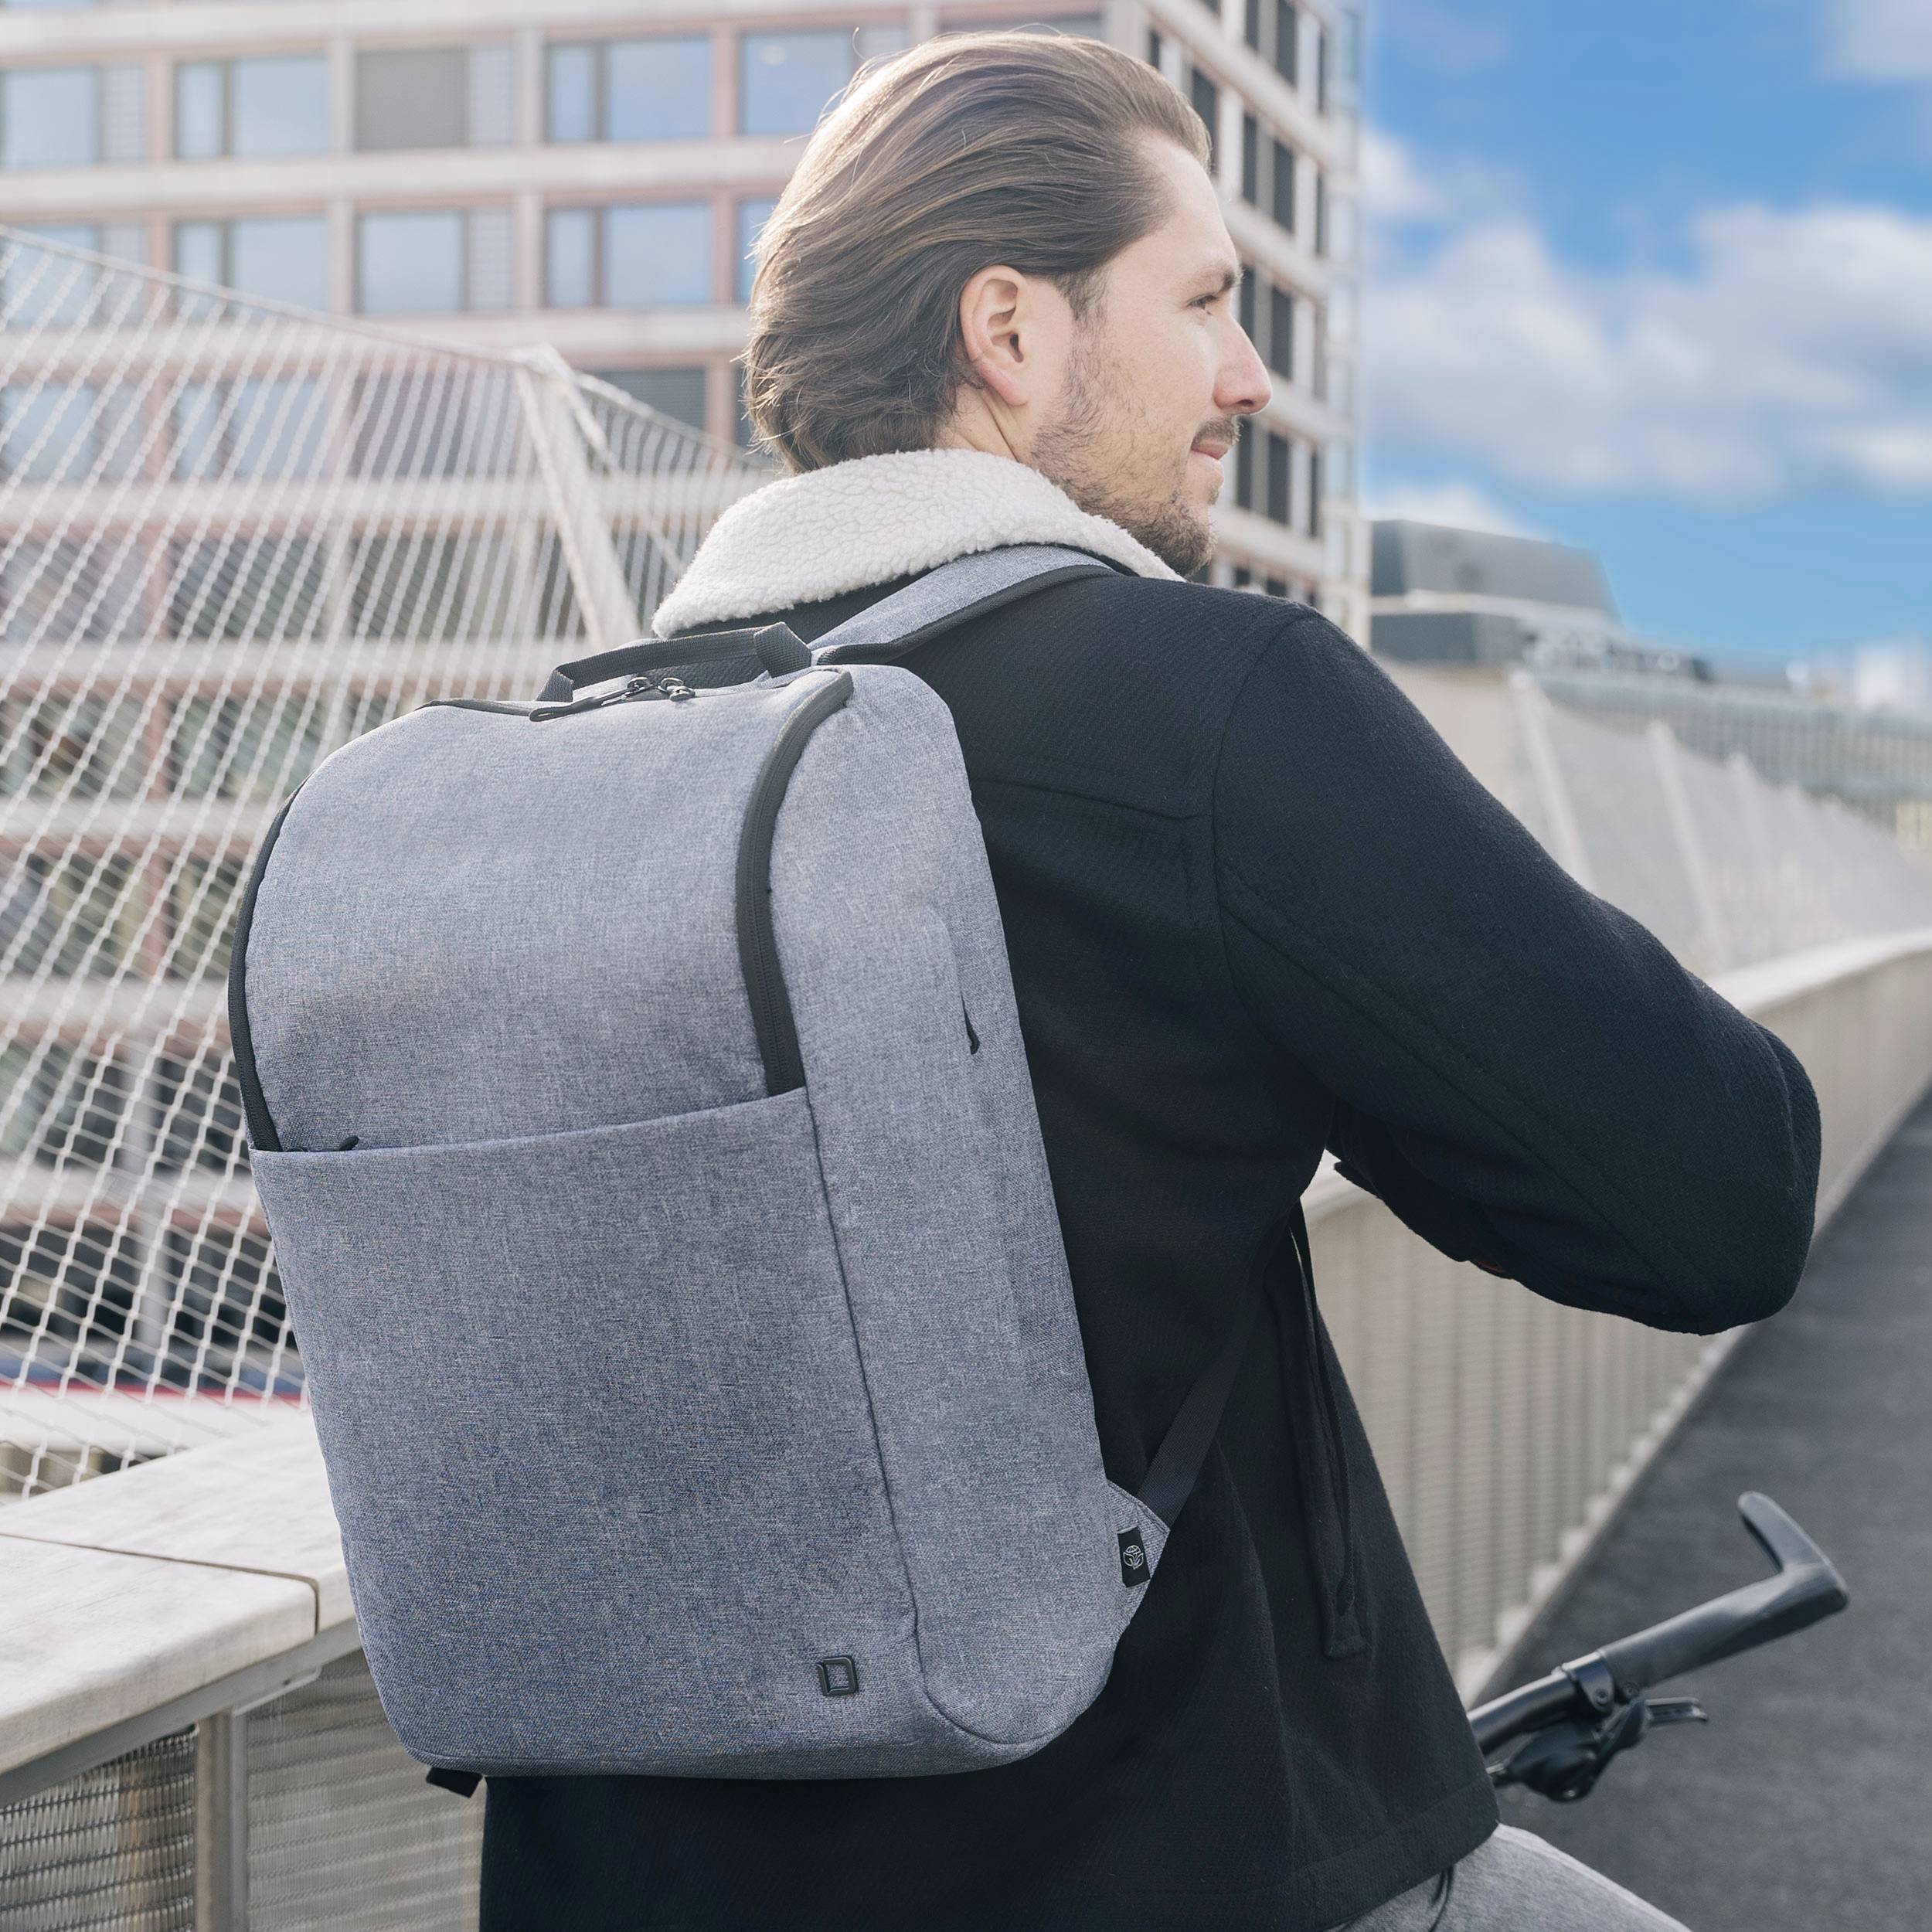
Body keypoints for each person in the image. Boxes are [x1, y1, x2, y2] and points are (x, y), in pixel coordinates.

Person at [479, 30, 1818, 1932]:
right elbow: (1718, 1199)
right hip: (1164, 1859)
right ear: (1008, 332)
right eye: (1201, 301)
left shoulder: (569, 767)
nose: (1245, 377)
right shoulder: (1204, 707)